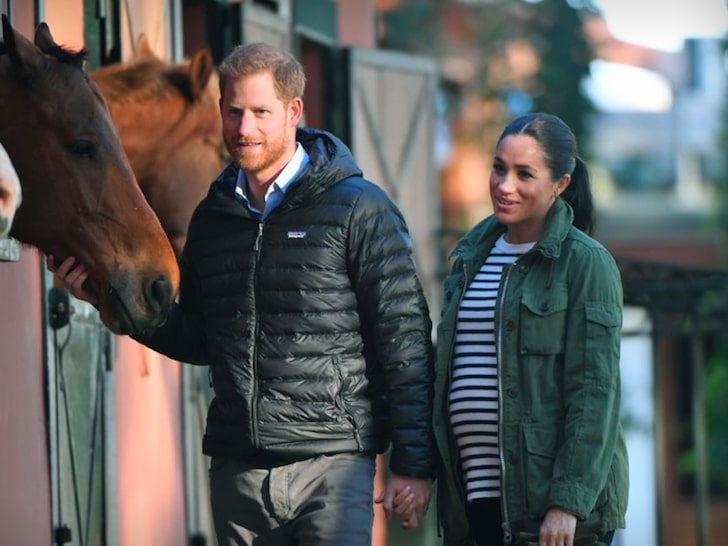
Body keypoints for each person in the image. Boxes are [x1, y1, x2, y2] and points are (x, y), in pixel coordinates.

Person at [49, 42, 434, 545]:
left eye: (259, 112)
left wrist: (413, 463)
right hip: (237, 473)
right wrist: (104, 298)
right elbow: (199, 338)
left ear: (294, 111)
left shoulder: (360, 210)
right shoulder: (212, 218)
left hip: (332, 469)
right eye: (233, 112)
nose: (243, 129)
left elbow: (404, 342)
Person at [428, 112, 628, 546]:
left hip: (548, 510)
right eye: (499, 168)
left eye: (524, 174)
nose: (505, 185)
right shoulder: (467, 260)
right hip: (474, 499)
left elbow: (595, 393)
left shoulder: (586, 264)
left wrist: (567, 503)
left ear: (560, 184)